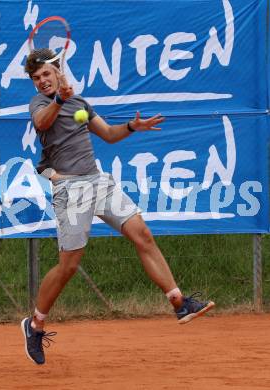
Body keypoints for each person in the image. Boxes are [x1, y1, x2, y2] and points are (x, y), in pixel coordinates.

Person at [21, 48, 215, 365]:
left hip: (99, 182)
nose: (42, 81)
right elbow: (42, 123)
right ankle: (35, 325)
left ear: (58, 72)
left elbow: (109, 134)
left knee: (143, 235)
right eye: (36, 78)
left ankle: (179, 302)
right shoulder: (41, 104)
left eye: (46, 74)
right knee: (68, 267)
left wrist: (131, 127)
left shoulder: (80, 104)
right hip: (70, 189)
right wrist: (58, 100)